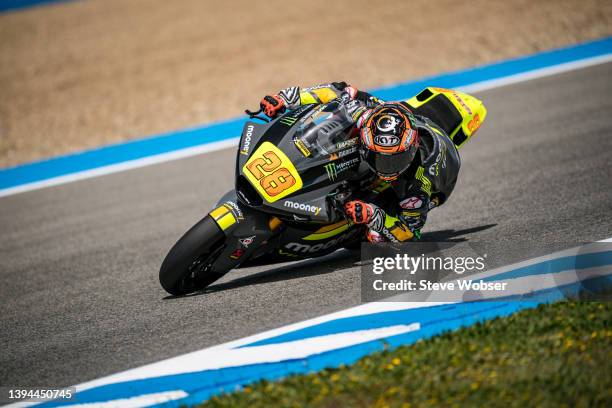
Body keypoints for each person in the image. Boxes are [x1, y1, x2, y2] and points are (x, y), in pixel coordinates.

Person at [259, 82, 461, 242]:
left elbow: (408, 232)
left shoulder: (419, 186)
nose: (387, 167)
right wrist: (285, 99)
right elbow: (336, 91)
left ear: (411, 149)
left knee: (377, 239)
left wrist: (373, 216)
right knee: (338, 123)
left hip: (439, 183)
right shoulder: (366, 114)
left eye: (395, 159)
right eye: (380, 157)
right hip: (401, 122)